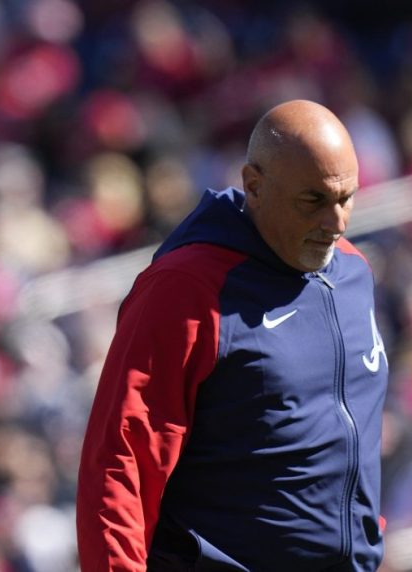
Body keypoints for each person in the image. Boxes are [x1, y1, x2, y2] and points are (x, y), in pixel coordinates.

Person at [76, 100, 389, 571]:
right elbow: (120, 461)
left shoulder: (353, 272)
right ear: (254, 186)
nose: (337, 222)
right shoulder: (187, 287)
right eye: (314, 201)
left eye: (346, 199)